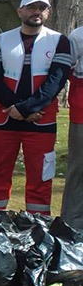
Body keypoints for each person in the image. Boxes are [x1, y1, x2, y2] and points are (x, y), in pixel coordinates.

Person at [0, 0, 72, 215]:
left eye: (42, 8)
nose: (37, 12)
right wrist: (16, 108)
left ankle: (38, 224)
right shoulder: (0, 40)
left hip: (41, 120)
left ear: (48, 13)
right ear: (19, 11)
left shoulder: (59, 41)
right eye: (31, 7)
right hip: (4, 119)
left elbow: (56, 81)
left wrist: (25, 109)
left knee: (41, 175)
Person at [64, 23, 83, 228]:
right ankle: (72, 225)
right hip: (82, 114)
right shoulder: (78, 36)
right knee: (79, 169)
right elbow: (66, 70)